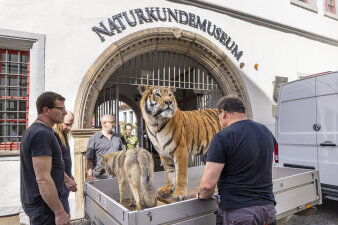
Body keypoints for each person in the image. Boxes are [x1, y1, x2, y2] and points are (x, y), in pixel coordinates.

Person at [197, 95, 277, 225]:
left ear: (223, 113)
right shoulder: (266, 132)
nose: (219, 121)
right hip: (268, 210)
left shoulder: (222, 137)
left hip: (239, 213)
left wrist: (202, 195)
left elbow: (207, 185)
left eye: (218, 117)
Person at [20, 91, 70, 225]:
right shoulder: (42, 134)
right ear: (46, 110)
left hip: (42, 205)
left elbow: (51, 165)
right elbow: (42, 179)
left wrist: (67, 179)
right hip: (44, 207)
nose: (64, 112)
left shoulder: (36, 130)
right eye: (61, 109)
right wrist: (59, 212)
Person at [86, 114, 124, 180]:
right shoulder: (94, 138)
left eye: (114, 122)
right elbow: (89, 159)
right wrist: (89, 175)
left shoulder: (117, 137)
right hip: (100, 177)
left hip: (116, 177)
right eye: (112, 122)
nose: (114, 124)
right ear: (104, 123)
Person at [54, 110, 77, 215]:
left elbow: (64, 158)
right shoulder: (54, 136)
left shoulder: (63, 134)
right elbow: (54, 164)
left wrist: (69, 175)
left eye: (71, 124)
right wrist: (67, 179)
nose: (69, 128)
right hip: (58, 185)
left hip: (64, 182)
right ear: (59, 121)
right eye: (67, 124)